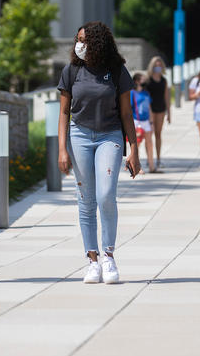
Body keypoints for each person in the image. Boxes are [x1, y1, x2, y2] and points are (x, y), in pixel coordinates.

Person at [57, 21, 140, 285]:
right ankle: (92, 261)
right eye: (77, 39)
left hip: (110, 136)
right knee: (86, 199)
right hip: (79, 135)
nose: (79, 45)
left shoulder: (116, 71)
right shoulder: (71, 72)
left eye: (84, 40)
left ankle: (109, 256)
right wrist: (62, 149)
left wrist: (134, 150)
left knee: (106, 196)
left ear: (97, 43)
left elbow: (127, 113)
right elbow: (63, 113)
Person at [131, 72, 160, 173]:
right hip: (136, 121)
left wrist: (151, 122)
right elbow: (129, 109)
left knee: (149, 143)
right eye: (142, 79)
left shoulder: (146, 93)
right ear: (136, 81)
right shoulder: (132, 93)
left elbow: (149, 107)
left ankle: (152, 166)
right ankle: (137, 167)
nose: (144, 81)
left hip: (146, 121)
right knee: (137, 144)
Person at [145, 56, 170, 168]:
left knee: (158, 135)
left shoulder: (164, 80)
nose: (158, 67)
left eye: (160, 65)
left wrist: (169, 113)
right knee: (148, 135)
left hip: (160, 109)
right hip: (149, 110)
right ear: (152, 66)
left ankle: (159, 159)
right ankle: (149, 158)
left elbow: (166, 97)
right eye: (156, 65)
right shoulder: (147, 80)